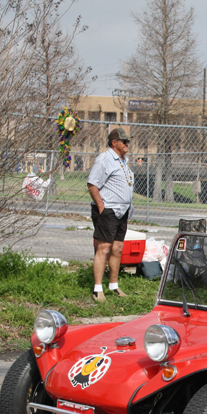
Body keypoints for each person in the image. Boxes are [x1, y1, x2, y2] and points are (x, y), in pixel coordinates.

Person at [87, 128, 134, 303]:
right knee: (104, 248)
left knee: (117, 249)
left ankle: (113, 285)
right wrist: (102, 208)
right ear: (114, 142)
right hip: (109, 211)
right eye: (124, 141)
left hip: (122, 212)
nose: (127, 144)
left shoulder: (123, 160)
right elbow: (92, 184)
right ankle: (97, 289)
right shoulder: (105, 159)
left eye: (128, 141)